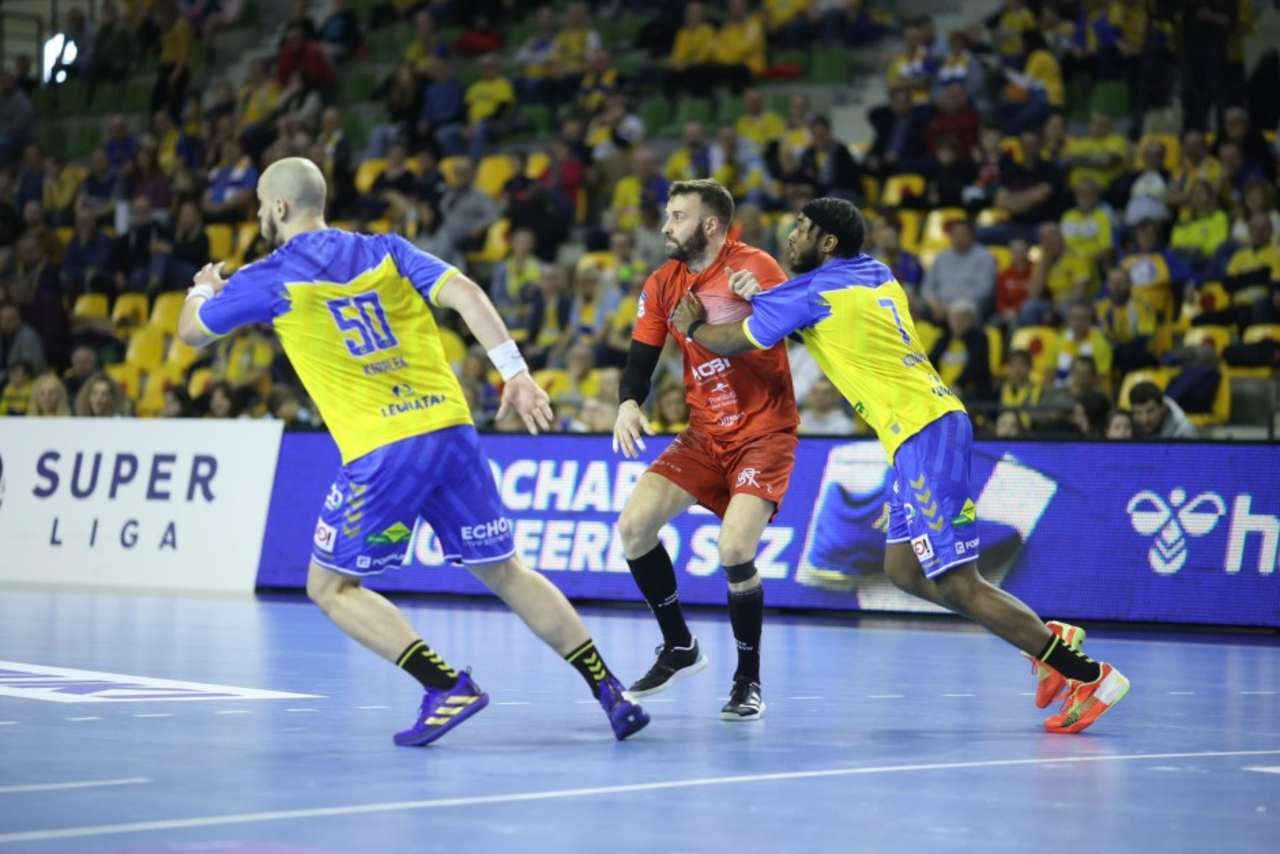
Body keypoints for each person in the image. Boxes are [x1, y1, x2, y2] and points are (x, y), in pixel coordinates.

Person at [176, 157, 648, 747]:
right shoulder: (387, 249)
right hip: (451, 430)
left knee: (329, 588)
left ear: (279, 207)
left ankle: (445, 686)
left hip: (384, 449)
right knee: (506, 571)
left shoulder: (267, 275)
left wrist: (203, 288)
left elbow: (191, 332)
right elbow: (467, 293)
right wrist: (516, 373)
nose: (257, 215)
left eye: (258, 205)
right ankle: (611, 691)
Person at [671, 196, 1129, 735]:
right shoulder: (874, 272)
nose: (790, 236)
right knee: (903, 570)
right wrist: (766, 297)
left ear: (828, 242)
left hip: (924, 434)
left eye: (801, 228)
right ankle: (1047, 640)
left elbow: (733, 341)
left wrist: (693, 327)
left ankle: (1088, 675)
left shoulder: (812, 293)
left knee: (957, 584)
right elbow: (826, 323)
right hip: (921, 432)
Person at [611, 179, 799, 722]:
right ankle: (679, 647)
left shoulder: (755, 266)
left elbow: (803, 328)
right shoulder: (663, 283)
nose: (666, 227)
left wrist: (764, 300)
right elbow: (641, 356)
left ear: (710, 224)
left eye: (678, 216)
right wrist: (628, 403)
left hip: (763, 434)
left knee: (734, 549)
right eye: (667, 215)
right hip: (705, 434)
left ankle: (747, 680)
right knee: (633, 528)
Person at [1128, 381, 1198, 439]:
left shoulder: (1184, 432)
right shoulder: (1125, 426)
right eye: (1138, 412)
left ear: (1162, 407)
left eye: (1150, 411)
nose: (1145, 419)